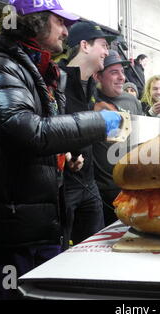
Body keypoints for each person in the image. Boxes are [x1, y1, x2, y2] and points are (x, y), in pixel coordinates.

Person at [0, 0, 123, 300]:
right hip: (11, 231)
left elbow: (37, 140)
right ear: (35, 20)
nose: (66, 30)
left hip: (42, 223)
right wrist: (99, 121)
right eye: (60, 21)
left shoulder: (39, 72)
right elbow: (26, 130)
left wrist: (62, 156)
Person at [58, 20, 117, 249]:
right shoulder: (56, 81)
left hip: (89, 183)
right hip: (65, 186)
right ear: (84, 45)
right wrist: (65, 155)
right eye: (103, 45)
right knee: (60, 253)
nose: (107, 51)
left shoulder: (91, 87)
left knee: (95, 250)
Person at [93, 50, 144, 226]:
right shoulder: (90, 100)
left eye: (122, 71)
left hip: (133, 186)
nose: (122, 77)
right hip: (103, 189)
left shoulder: (132, 101)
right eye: (114, 72)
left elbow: (142, 141)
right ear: (98, 76)